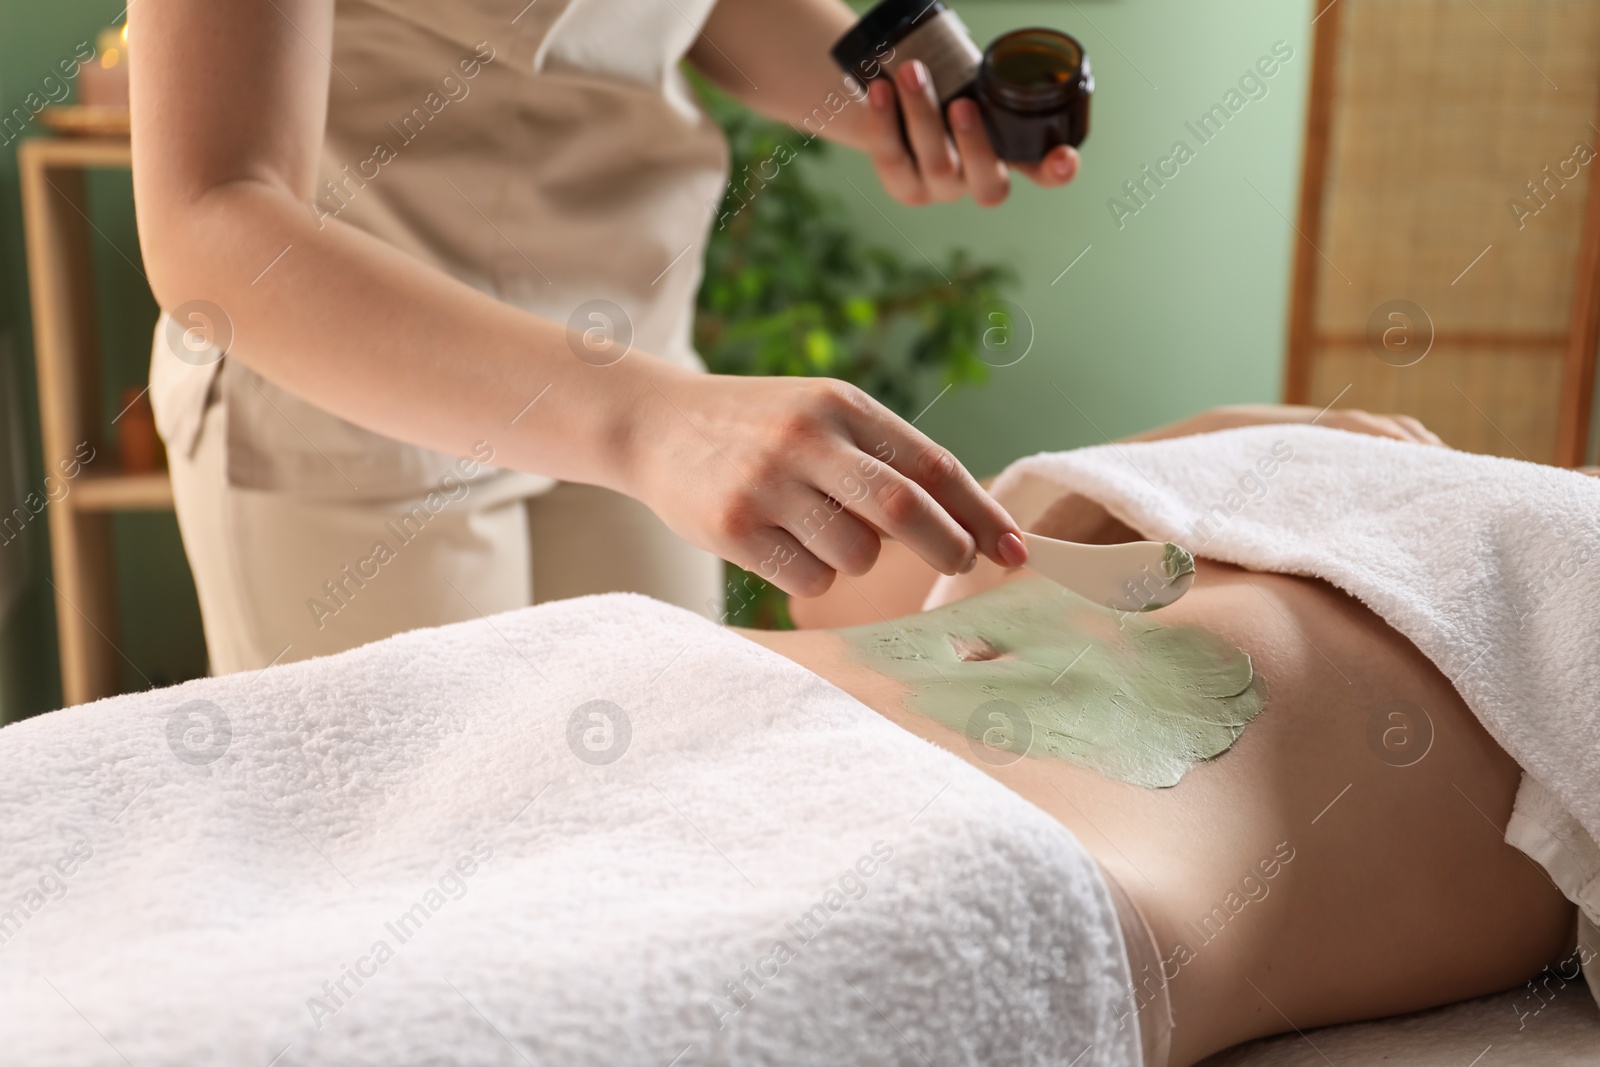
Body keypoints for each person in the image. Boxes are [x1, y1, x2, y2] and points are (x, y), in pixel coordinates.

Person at [131, 0, 1079, 673]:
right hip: (364, 397)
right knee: (424, 907)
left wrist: (892, 102)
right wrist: (649, 422)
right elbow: (211, 214)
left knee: (643, 829)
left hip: (630, 342)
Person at [739, 405, 1578, 1067]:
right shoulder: (1323, 459)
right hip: (718, 682)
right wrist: (1220, 431)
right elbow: (833, 582)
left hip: (1024, 852)